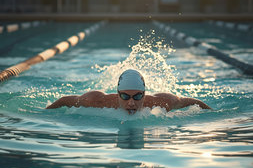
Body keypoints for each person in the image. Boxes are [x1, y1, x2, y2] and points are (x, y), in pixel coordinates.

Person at [46, 69, 211, 114]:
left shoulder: (160, 103)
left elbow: (189, 101)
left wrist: (212, 113)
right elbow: (64, 101)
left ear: (144, 94)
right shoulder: (96, 101)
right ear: (117, 94)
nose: (131, 102)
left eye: (138, 96)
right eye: (125, 96)